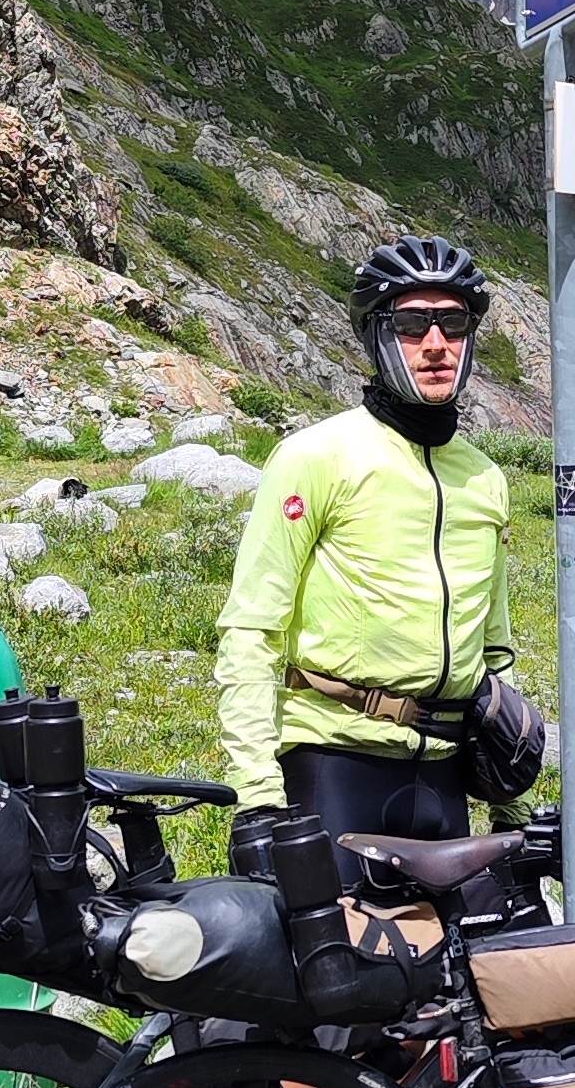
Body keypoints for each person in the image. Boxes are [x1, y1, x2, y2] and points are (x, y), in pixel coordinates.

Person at [215, 234, 529, 880]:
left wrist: (511, 804)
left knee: (458, 972)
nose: (436, 343)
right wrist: (257, 800)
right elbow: (252, 629)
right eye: (413, 323)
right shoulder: (318, 455)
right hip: (335, 761)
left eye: (454, 322)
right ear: (377, 336)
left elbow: (492, 652)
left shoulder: (484, 477)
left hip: (446, 774)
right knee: (332, 971)